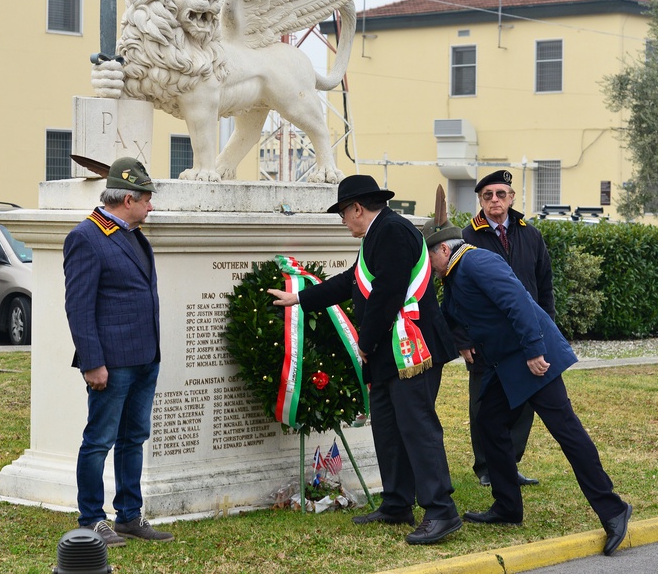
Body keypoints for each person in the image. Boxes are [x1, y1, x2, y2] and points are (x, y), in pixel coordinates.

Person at [421, 210, 632, 557]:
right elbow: (452, 319)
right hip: (509, 366)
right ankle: (507, 506)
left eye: (429, 258)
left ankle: (613, 509)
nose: (428, 268)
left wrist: (535, 350)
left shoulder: (476, 263)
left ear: (443, 249)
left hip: (535, 360)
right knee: (489, 421)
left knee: (567, 432)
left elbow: (517, 301)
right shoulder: (456, 275)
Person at [267, 175, 462, 545]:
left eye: (343, 213)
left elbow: (387, 294)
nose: (343, 221)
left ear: (358, 208)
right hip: (392, 353)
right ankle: (397, 503)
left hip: (411, 349)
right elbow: (351, 282)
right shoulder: (379, 233)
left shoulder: (391, 231)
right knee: (389, 429)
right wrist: (300, 299)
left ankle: (441, 511)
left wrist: (366, 343)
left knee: (418, 429)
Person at [63, 157, 174, 547]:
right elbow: (78, 307)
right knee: (99, 440)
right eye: (147, 199)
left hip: (144, 357)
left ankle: (129, 516)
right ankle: (92, 518)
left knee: (134, 438)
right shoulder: (86, 237)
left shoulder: (132, 233)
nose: (151, 206)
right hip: (111, 363)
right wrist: (92, 362)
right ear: (128, 199)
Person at [461, 169, 553, 488]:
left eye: (501, 194)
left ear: (512, 198)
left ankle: (510, 463)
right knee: (484, 403)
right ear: (481, 201)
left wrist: (547, 331)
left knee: (523, 400)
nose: (495, 200)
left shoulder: (530, 235)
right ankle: (487, 466)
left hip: (526, 335)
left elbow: (545, 285)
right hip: (486, 338)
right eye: (488, 196)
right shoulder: (467, 236)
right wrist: (463, 338)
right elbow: (454, 291)